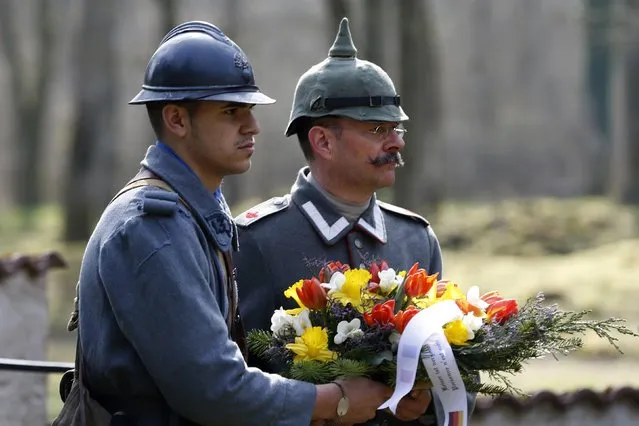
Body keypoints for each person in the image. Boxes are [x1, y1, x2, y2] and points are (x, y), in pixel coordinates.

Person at [70, 20, 392, 426]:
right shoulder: (150, 227)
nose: (252, 125)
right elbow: (214, 387)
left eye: (249, 110)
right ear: (176, 119)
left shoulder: (192, 210)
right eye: (230, 111)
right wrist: (335, 400)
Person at [234, 18, 477, 426]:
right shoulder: (255, 240)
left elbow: (457, 372)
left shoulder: (414, 238)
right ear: (323, 141)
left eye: (396, 128)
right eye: (378, 129)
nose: (397, 141)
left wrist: (425, 399)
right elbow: (234, 387)